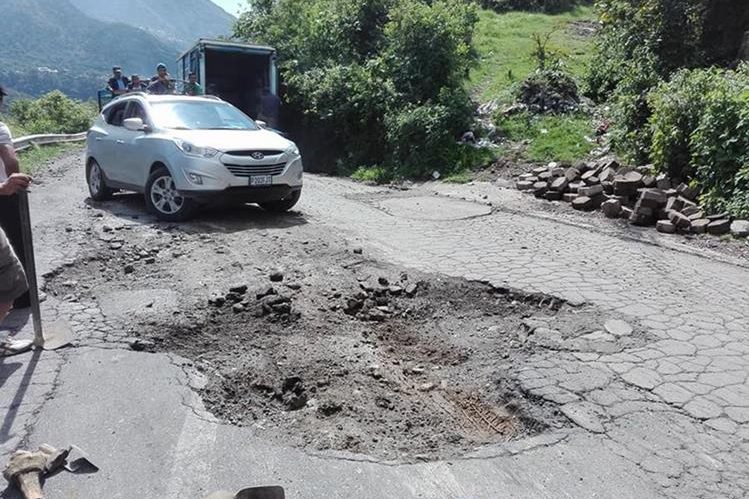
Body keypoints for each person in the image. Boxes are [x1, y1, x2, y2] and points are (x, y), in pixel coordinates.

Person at [0, 85, 31, 310]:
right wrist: (12, 184)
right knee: (14, 244)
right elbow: (11, 161)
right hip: (4, 194)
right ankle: (21, 298)